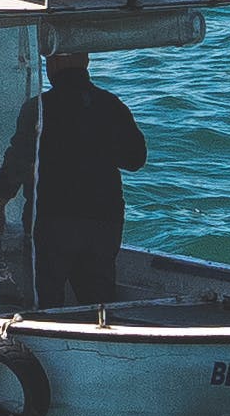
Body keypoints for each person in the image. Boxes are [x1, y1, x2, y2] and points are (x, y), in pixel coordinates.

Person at [31, 50, 148, 309]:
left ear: (54, 64)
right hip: (103, 219)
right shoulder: (112, 105)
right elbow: (136, 159)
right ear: (86, 61)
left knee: (48, 298)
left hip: (54, 220)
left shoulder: (39, 109)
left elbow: (17, 163)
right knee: (99, 298)